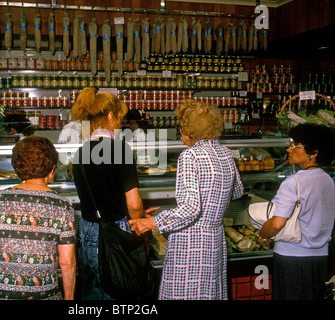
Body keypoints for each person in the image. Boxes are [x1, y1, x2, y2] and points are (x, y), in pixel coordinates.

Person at [129, 100, 244, 300]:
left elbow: (191, 208)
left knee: (185, 294)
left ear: (188, 129)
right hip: (214, 239)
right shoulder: (225, 153)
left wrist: (149, 223)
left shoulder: (190, 155)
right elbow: (237, 192)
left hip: (191, 243)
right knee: (209, 294)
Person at [70, 87, 158, 300]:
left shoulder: (80, 151)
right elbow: (133, 204)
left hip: (87, 230)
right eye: (119, 117)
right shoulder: (119, 149)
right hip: (114, 234)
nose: (120, 123)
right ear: (110, 116)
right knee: (117, 293)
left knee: (92, 293)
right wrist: (139, 221)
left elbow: (101, 193)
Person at [0, 136, 77, 300]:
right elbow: (67, 262)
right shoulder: (62, 205)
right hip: (42, 293)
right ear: (52, 169)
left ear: (17, 168)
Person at [257, 123, 335, 300]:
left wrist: (262, 234)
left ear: (314, 152)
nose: (288, 149)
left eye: (295, 146)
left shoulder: (293, 183)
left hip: (292, 258)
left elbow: (277, 223)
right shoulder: (328, 180)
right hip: (321, 257)